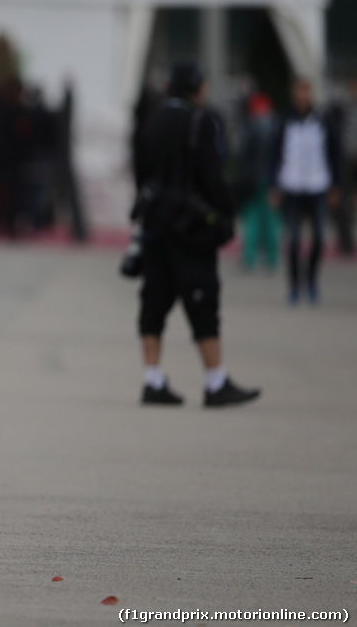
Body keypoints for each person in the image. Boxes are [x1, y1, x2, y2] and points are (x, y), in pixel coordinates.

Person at [132, 63, 259, 408]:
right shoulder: (200, 121)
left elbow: (140, 172)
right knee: (203, 300)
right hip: (191, 230)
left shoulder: (151, 120)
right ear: (197, 88)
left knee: (154, 301)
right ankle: (215, 382)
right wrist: (226, 210)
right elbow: (211, 175)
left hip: (156, 225)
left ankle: (152, 379)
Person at [269, 77, 342, 304]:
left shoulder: (322, 120)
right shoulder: (284, 120)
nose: (302, 96)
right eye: (299, 92)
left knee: (319, 236)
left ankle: (311, 280)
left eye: (306, 92)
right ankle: (294, 285)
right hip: (291, 185)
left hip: (317, 184)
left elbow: (334, 155)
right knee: (293, 239)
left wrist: (335, 185)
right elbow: (273, 155)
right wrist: (274, 185)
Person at [235, 92, 279, 272]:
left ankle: (250, 257)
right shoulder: (276, 126)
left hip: (252, 178)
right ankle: (272, 258)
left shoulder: (251, 126)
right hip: (271, 179)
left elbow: (240, 151)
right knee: (271, 219)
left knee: (251, 219)